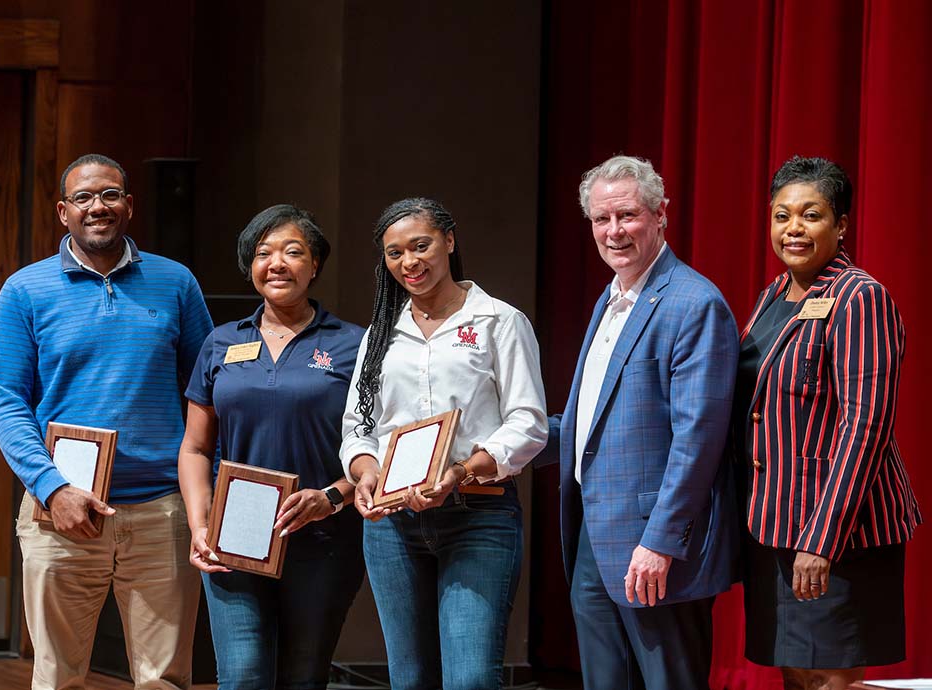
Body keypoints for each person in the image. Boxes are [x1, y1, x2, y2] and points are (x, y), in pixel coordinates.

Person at [0, 153, 214, 690]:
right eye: (84, 198)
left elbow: (208, 391)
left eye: (110, 195)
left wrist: (204, 495)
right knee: (57, 678)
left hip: (163, 511)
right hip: (61, 513)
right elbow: (6, 400)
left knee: (165, 679)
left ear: (129, 206)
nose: (98, 207)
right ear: (63, 212)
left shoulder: (176, 282)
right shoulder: (25, 289)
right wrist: (50, 487)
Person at [534, 155, 738, 690]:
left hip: (653, 549)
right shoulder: (611, 299)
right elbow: (590, 423)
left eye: (627, 215)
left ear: (660, 215)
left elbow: (699, 440)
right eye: (602, 220)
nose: (614, 231)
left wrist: (661, 542)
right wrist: (496, 447)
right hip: (593, 543)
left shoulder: (694, 303)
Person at [340, 198, 547, 689]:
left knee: (470, 678)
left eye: (420, 246)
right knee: (409, 679)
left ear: (449, 242)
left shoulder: (499, 321)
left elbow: (528, 421)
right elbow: (358, 425)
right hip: (392, 524)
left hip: (478, 513)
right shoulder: (380, 334)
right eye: (394, 254)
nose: (408, 262)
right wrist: (366, 473)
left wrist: (461, 470)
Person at [734, 156, 920, 690]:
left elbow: (866, 426)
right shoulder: (776, 295)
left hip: (838, 531)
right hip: (774, 524)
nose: (793, 228)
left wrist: (821, 538)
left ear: (841, 226)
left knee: (828, 678)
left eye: (810, 215)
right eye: (781, 215)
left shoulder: (861, 298)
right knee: (795, 673)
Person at [178, 204, 365, 688]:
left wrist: (333, 497)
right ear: (250, 266)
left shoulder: (354, 344)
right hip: (234, 539)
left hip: (324, 539)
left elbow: (376, 446)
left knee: (304, 678)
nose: (277, 263)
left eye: (293, 252)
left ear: (316, 265)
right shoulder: (221, 343)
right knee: (241, 677)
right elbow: (196, 449)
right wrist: (200, 527)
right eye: (264, 253)